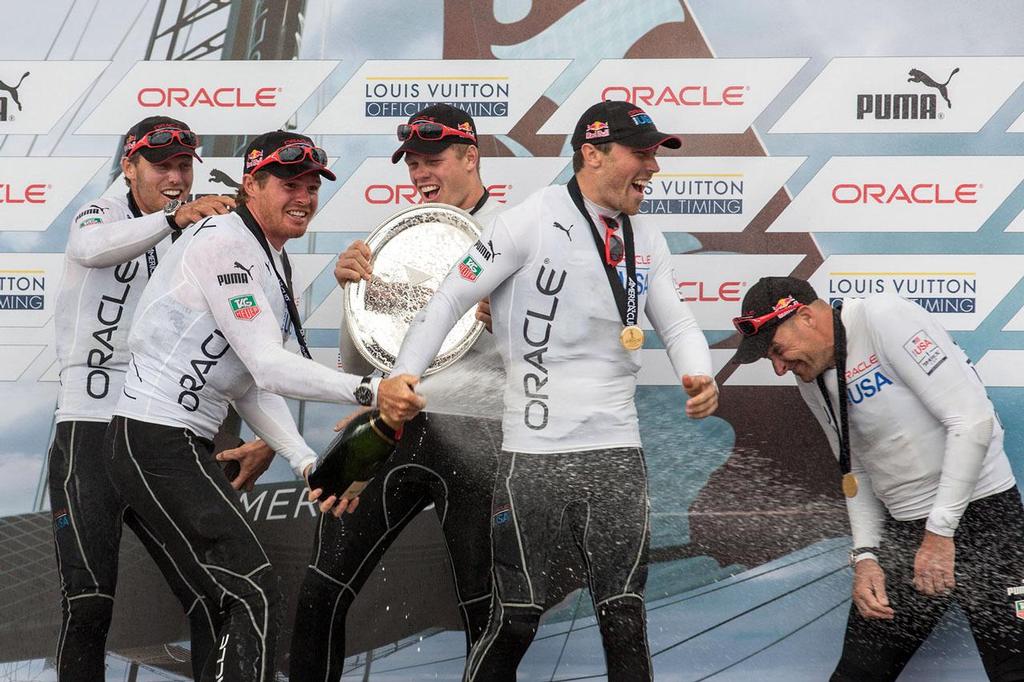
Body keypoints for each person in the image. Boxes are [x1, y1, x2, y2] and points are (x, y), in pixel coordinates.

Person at [389, 100, 719, 681]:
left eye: (654, 156)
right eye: (641, 155)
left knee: (623, 617)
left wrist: (700, 373)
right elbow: (448, 299)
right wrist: (403, 372)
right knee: (515, 619)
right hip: (533, 459)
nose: (653, 169)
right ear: (592, 153)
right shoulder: (528, 220)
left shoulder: (646, 234)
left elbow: (680, 324)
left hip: (616, 453)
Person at [104, 130, 424, 681]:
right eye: (288, 183)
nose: (303, 196)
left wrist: (304, 463)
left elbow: (253, 385)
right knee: (252, 589)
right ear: (251, 183)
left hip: (176, 442)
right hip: (152, 438)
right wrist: (373, 392)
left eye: (311, 186)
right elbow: (270, 365)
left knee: (217, 604)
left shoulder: (271, 258)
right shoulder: (224, 241)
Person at [289, 103, 512, 681]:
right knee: (320, 594)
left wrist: (508, 321)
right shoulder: (394, 242)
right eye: (411, 163)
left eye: (431, 159)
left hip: (482, 442)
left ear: (470, 156)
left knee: (485, 612)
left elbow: (558, 356)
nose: (419, 174)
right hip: (391, 435)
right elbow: (361, 360)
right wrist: (352, 296)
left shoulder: (517, 235)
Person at [730, 276, 1024, 681]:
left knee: (1015, 670)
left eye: (777, 351)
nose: (780, 367)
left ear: (805, 317)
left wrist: (940, 533)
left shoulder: (884, 318)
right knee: (859, 674)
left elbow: (972, 421)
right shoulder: (811, 374)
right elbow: (855, 468)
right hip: (908, 533)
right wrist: (866, 556)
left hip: (985, 518)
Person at [47, 116, 247, 681]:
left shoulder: (196, 231)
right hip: (88, 429)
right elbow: (89, 248)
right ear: (129, 166)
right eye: (162, 166)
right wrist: (172, 217)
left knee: (215, 596)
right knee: (88, 603)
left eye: (185, 166)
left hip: (158, 430)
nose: (177, 176)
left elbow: (230, 332)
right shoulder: (102, 213)